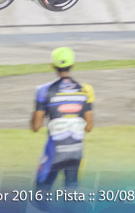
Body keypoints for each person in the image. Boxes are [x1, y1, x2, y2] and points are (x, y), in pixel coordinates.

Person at [33, 47, 94, 190]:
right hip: (75, 150)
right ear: (73, 65)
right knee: (71, 193)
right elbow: (89, 127)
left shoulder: (44, 90)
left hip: (54, 151)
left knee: (41, 190)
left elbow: (36, 126)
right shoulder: (85, 90)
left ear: (53, 66)